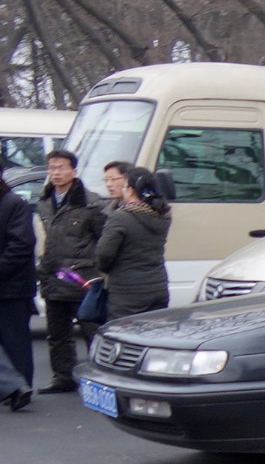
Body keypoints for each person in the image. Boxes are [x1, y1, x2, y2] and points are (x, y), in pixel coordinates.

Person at [33, 149, 106, 395]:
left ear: (74, 171)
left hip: (82, 278)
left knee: (91, 330)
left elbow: (103, 240)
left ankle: (102, 378)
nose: (56, 173)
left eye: (61, 167)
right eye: (52, 168)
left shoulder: (91, 203)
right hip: (53, 276)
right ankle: (63, 377)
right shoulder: (44, 201)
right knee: (57, 334)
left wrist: (97, 273)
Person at [95, 161, 172, 321]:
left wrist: (104, 270)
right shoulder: (162, 215)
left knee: (124, 335)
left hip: (127, 290)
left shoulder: (121, 217)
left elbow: (104, 254)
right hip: (158, 285)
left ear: (130, 191)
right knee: (154, 333)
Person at [0, 177, 35, 404]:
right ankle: (12, 388)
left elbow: (22, 244)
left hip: (13, 285)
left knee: (15, 342)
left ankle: (21, 389)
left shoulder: (13, 203)